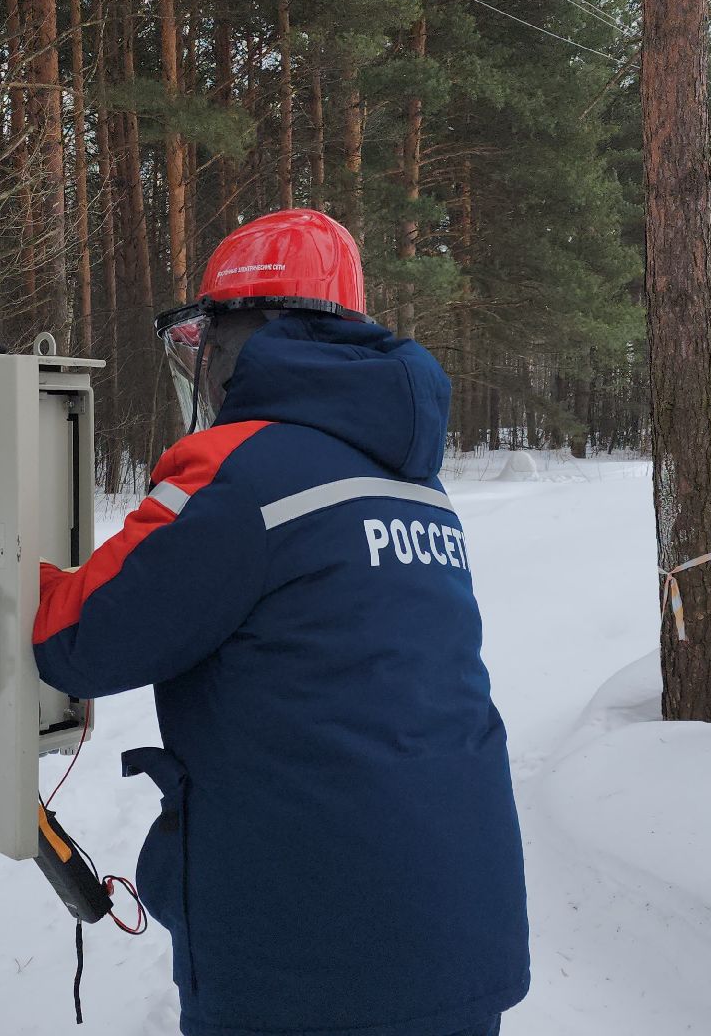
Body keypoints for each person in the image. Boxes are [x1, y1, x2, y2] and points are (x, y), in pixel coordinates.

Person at [32, 209, 528, 1036]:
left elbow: (78, 638)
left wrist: (0, 564)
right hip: (463, 930)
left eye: (206, 343)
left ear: (246, 337)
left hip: (313, 959)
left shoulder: (238, 471)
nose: (203, 370)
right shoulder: (415, 482)